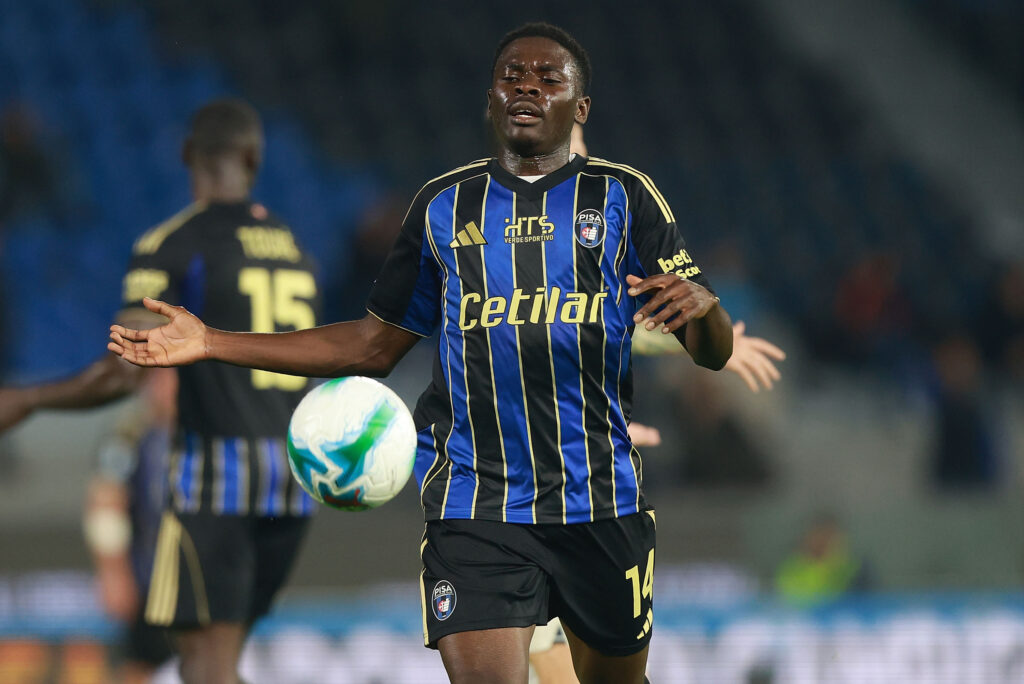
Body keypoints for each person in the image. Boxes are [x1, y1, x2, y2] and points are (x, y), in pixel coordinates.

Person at [108, 24, 734, 684]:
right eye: (511, 75)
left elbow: (712, 352)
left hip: (602, 501)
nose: (527, 85)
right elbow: (372, 345)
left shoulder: (623, 196)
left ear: (580, 108)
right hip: (476, 507)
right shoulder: (443, 206)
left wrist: (708, 311)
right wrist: (211, 341)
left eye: (549, 79)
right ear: (490, 98)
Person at [0, 98, 321, 684]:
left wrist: (28, 400)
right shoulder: (296, 250)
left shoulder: (172, 243)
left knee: (204, 662)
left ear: (185, 156)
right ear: (253, 158)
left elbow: (123, 370)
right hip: (292, 477)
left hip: (215, 477)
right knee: (224, 654)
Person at [86, 369, 177, 684]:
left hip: (200, 573)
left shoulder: (209, 433)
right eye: (160, 380)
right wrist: (113, 571)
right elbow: (105, 502)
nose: (167, 388)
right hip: (149, 579)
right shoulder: (130, 434)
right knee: (140, 664)